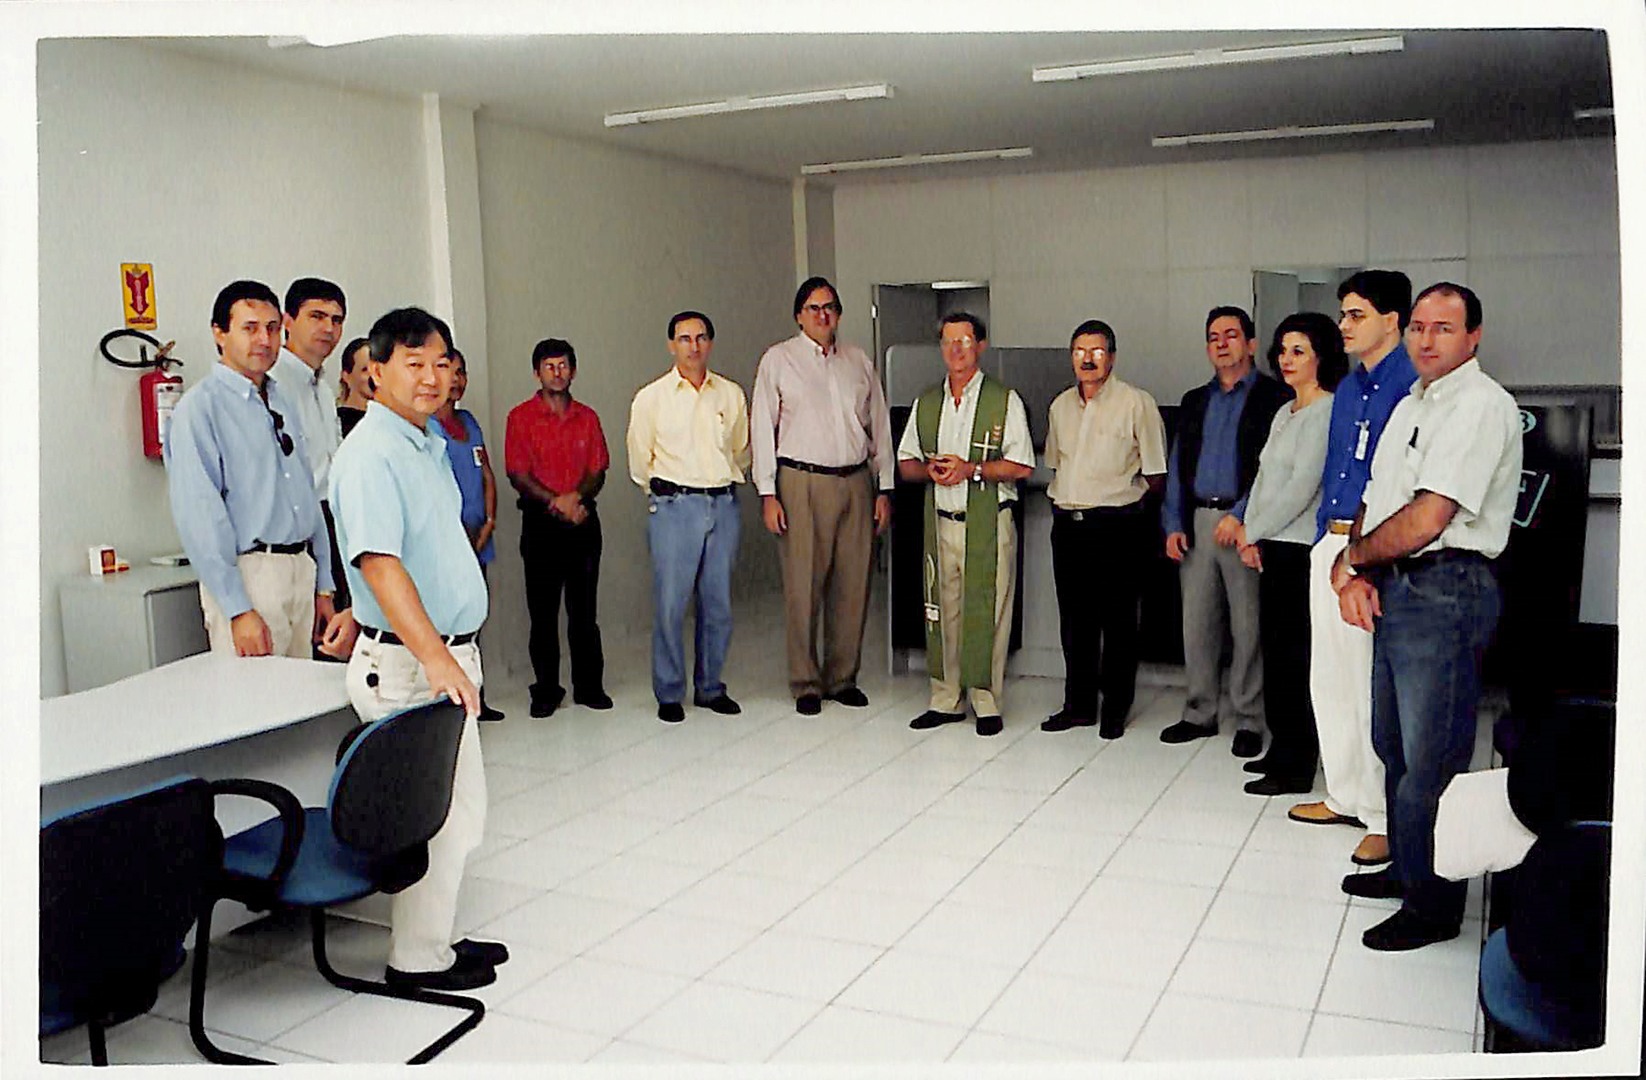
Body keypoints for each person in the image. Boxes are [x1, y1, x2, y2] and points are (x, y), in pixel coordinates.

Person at [1331, 283, 1521, 951]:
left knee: (1430, 759)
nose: (1426, 339)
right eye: (1418, 326)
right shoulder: (1414, 401)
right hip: (1400, 585)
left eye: (1443, 328)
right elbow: (1378, 498)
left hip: (1446, 589)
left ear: (1474, 336)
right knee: (1394, 746)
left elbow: (1427, 517)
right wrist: (1357, 565)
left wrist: (1353, 559)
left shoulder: (1480, 406)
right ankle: (1409, 869)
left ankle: (1434, 908)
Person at [328, 305, 508, 990]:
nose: (432, 377)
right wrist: (436, 658)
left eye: (441, 363)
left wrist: (363, 608)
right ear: (375, 373)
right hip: (414, 665)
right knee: (434, 815)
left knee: (455, 811)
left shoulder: (425, 442)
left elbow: (412, 551)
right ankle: (417, 960)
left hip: (439, 654)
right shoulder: (372, 453)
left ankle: (434, 939)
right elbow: (379, 562)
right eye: (414, 363)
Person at [1289, 270, 1415, 869]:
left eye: (1357, 314)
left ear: (1392, 320)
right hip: (1331, 540)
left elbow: (1398, 485)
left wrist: (1363, 557)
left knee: (1371, 689)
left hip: (1371, 553)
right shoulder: (1348, 388)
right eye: (1343, 314)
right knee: (1331, 680)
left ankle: (1384, 815)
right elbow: (1337, 467)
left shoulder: (1411, 386)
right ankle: (1343, 794)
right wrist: (1327, 542)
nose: (1344, 325)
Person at [164, 280, 343, 658]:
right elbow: (201, 518)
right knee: (255, 693)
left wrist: (323, 585)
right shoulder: (200, 409)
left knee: (302, 692)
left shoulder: (282, 399)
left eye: (272, 328)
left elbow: (309, 494)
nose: (264, 340)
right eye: (250, 328)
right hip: (250, 576)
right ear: (219, 333)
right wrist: (237, 608)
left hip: (300, 570)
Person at [751, 276, 895, 716]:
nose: (822, 315)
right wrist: (768, 492)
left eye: (829, 307)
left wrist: (884, 487)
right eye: (813, 308)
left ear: (839, 314)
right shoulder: (779, 360)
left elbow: (879, 426)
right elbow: (762, 429)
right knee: (803, 584)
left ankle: (842, 677)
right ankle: (805, 681)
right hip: (802, 482)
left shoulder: (858, 361)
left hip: (855, 481)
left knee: (853, 584)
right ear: (799, 315)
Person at [1159, 306, 1291, 756]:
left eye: (1231, 335)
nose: (1221, 343)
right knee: (1197, 625)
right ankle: (1199, 711)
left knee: (1248, 627)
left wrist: (1242, 515)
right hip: (1198, 521)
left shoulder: (1275, 398)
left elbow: (1274, 470)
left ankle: (1250, 719)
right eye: (1213, 337)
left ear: (1251, 344)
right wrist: (1173, 523)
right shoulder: (1195, 399)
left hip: (1248, 523)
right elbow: (1178, 465)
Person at [896, 313, 1033, 738]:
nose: (956, 350)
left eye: (965, 341)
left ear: (981, 346)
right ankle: (945, 700)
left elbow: (1022, 465)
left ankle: (986, 702)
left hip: (988, 523)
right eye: (948, 341)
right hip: (941, 524)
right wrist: (930, 471)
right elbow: (905, 463)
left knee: (988, 612)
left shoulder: (1003, 400)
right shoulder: (926, 403)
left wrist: (971, 469)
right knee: (943, 613)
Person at [1233, 313, 1345, 795]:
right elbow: (1264, 479)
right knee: (1276, 655)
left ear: (1321, 356)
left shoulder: (1327, 410)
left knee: (1297, 658)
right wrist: (1251, 532)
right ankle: (1280, 749)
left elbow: (1302, 487)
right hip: (1271, 544)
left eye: (1298, 351)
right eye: (1282, 351)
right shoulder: (1286, 411)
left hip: (1299, 550)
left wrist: (1251, 530)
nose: (1286, 359)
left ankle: (1298, 764)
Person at [1041, 318, 1166, 739]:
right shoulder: (1060, 406)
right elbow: (1056, 464)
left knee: (1118, 621)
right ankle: (1078, 705)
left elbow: (1156, 473)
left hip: (1117, 525)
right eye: (1080, 351)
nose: (1088, 359)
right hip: (1068, 526)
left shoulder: (1136, 403)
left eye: (1097, 351)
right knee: (1074, 621)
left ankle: (1115, 707)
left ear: (1111, 357)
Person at [626, 311, 750, 724]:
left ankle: (711, 687)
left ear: (710, 343)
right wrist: (667, 496)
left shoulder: (729, 394)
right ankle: (669, 691)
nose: (693, 346)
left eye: (700, 338)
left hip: (723, 504)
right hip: (674, 507)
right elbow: (639, 461)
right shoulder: (651, 398)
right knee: (670, 604)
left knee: (718, 604)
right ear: (671, 345)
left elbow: (740, 450)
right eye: (684, 338)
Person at [504, 338, 612, 718]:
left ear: (573, 371)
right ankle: (547, 690)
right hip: (540, 523)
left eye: (564, 365)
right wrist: (556, 502)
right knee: (543, 612)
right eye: (549, 366)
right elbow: (517, 473)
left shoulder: (588, 417)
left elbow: (598, 469)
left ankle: (589, 686)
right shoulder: (520, 417)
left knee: (584, 611)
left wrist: (575, 500)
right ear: (537, 373)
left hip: (583, 519)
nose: (557, 372)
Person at [434, 346, 506, 723]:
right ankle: (450, 704)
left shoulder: (469, 422)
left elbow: (486, 473)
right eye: (450, 370)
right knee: (446, 625)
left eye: (462, 372)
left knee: (473, 620)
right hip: (448, 542)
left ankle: (477, 697)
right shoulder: (427, 427)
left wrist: (490, 519)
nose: (456, 379)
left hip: (479, 537)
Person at [274, 278, 349, 616]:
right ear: (288, 321)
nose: (328, 328)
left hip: (333, 522)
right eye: (316, 316)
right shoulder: (273, 383)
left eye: (336, 320)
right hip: (294, 532)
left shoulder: (322, 386)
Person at [337, 335, 372, 439]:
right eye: (365, 369)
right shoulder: (336, 423)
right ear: (346, 377)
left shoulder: (386, 421)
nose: (373, 376)